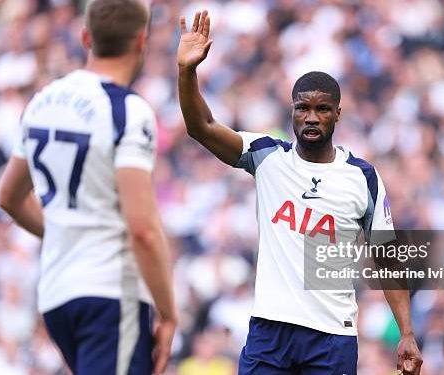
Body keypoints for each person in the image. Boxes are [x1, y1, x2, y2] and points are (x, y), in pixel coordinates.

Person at [177, 10, 423, 375]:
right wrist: (187, 71)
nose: (311, 117)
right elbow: (202, 127)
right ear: (291, 111)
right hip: (270, 329)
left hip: (331, 337)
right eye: (302, 108)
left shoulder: (362, 177)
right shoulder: (266, 156)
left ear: (338, 114)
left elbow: (386, 257)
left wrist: (406, 332)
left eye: (322, 109)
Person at [0, 1, 176, 374]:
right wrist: (168, 312)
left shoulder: (42, 101)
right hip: (110, 291)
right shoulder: (128, 110)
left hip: (56, 294)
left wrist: (64, 233)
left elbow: (9, 197)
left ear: (85, 37)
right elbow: (142, 229)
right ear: (142, 41)